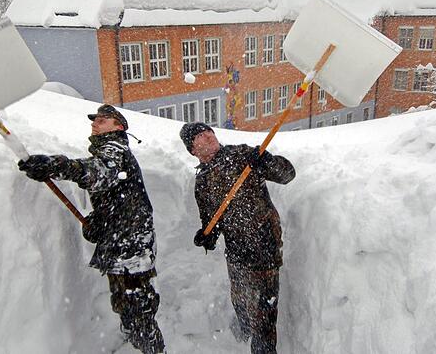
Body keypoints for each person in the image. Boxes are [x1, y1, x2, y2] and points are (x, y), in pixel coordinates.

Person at [18, 104, 164, 354]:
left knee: (138, 306)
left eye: (103, 120)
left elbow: (100, 173)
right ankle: (138, 341)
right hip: (122, 241)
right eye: (94, 119)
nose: (95, 123)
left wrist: (55, 166)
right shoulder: (107, 151)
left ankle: (151, 349)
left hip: (131, 245)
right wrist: (100, 222)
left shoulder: (115, 149)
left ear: (119, 126)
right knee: (126, 303)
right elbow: (115, 197)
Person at [179, 122, 296, 354]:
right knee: (240, 300)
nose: (208, 135)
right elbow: (212, 220)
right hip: (235, 251)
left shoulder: (242, 155)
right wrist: (207, 235)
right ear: (192, 149)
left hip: (263, 245)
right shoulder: (202, 181)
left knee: (263, 312)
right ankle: (240, 335)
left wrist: (266, 161)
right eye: (199, 136)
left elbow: (287, 174)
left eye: (208, 131)